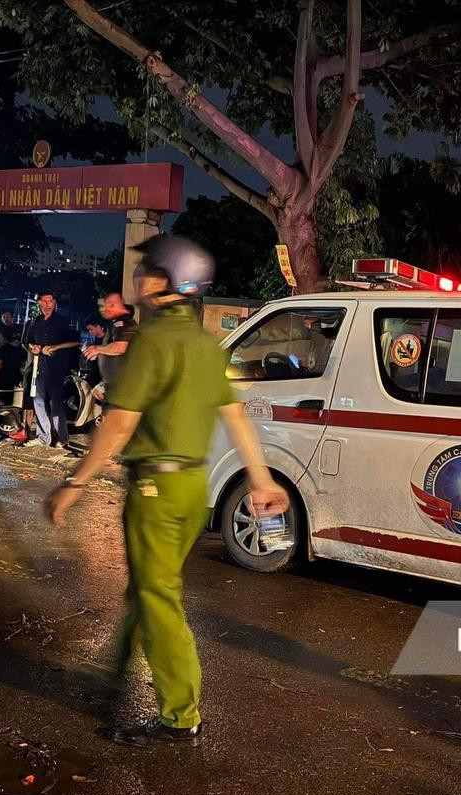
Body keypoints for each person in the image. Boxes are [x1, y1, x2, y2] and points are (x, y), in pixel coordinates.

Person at [46, 234, 288, 747]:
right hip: (192, 486)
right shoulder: (203, 344)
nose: (135, 279)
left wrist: (74, 483)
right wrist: (261, 479)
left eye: (144, 269)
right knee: (149, 584)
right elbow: (236, 415)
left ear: (162, 282)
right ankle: (114, 670)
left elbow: (116, 427)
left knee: (158, 596)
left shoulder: (152, 341)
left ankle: (181, 714)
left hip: (155, 487)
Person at [26, 294, 80, 451]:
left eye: (50, 301)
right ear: (39, 303)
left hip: (57, 368)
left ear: (55, 303)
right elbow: (30, 341)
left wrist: (55, 347)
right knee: (38, 401)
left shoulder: (62, 321)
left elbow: (75, 341)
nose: (47, 304)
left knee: (55, 403)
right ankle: (43, 436)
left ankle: (62, 439)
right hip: (40, 366)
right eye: (44, 301)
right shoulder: (36, 321)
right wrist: (33, 347)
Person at [83, 292, 137, 405]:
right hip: (115, 384)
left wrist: (97, 349)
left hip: (121, 386)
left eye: (103, 306)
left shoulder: (122, 323)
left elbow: (120, 347)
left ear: (111, 305)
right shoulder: (116, 324)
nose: (101, 310)